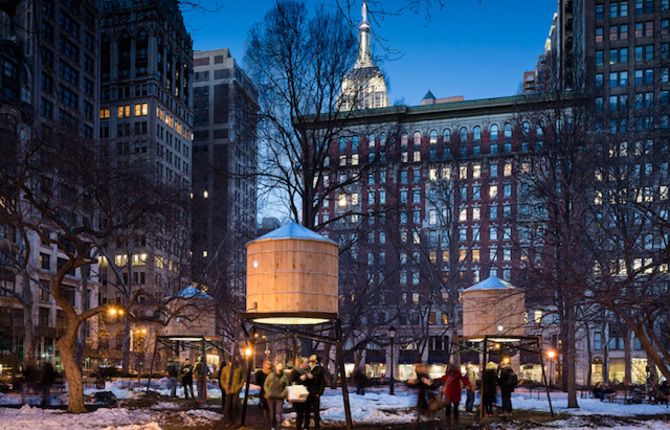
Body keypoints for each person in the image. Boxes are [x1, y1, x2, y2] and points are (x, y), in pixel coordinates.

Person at [442, 363, 471, 428]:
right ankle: (456, 423)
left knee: (448, 409)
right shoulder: (457, 375)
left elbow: (442, 378)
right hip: (456, 394)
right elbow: (464, 380)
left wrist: (434, 381)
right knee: (455, 409)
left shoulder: (449, 375)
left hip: (449, 394)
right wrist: (469, 384)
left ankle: (448, 424)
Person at [290, 357, 313, 430]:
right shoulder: (295, 372)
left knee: (307, 413)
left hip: (307, 396)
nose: (308, 364)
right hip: (299, 396)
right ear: (301, 363)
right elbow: (292, 383)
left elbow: (312, 384)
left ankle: (306, 427)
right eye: (306, 362)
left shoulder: (309, 371)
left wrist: (311, 378)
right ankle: (298, 427)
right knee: (299, 414)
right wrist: (300, 379)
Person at [220, 358, 245, 425]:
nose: (231, 363)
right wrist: (225, 386)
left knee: (234, 405)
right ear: (228, 362)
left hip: (235, 389)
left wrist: (239, 386)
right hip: (228, 389)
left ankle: (234, 419)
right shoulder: (225, 369)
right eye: (230, 362)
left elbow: (242, 378)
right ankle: (227, 419)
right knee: (228, 405)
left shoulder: (239, 369)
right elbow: (222, 379)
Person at [264, 362, 289, 430]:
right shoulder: (271, 376)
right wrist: (268, 393)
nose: (279, 371)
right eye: (278, 369)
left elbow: (286, 387)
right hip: (270, 397)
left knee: (278, 414)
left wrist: (283, 394)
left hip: (279, 398)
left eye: (280, 370)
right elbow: (265, 385)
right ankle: (272, 426)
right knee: (272, 414)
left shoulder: (284, 377)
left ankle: (278, 426)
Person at [308, 355, 326, 430]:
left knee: (316, 410)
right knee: (307, 410)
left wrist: (319, 392)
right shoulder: (308, 368)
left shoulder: (319, 369)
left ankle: (316, 426)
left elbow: (322, 382)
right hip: (307, 392)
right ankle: (307, 425)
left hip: (315, 392)